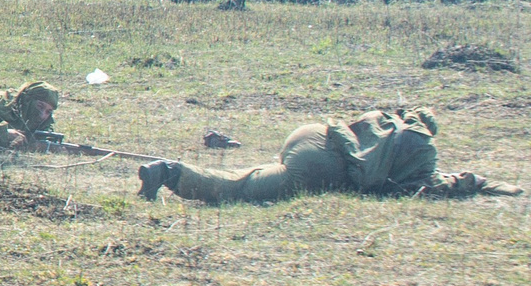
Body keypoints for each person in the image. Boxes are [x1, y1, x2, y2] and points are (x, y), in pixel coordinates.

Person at [136, 107, 512, 204]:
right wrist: (478, 183)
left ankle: (168, 173)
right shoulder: (422, 147)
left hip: (312, 134)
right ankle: (167, 173)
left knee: (252, 175)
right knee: (240, 190)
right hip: (321, 166)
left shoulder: (385, 119)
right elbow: (431, 185)